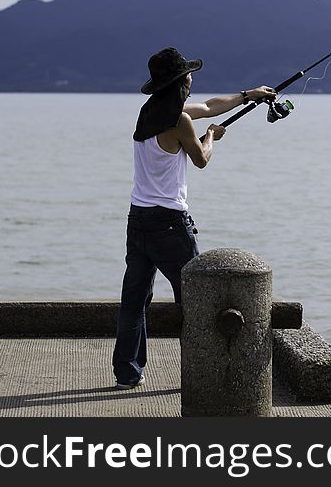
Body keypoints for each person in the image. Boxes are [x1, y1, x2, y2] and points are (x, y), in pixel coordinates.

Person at [112, 47, 276, 389]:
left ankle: (128, 373)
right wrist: (212, 136)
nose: (191, 79)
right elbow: (200, 158)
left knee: (134, 302)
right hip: (169, 224)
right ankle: (204, 373)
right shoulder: (179, 120)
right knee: (198, 300)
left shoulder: (149, 113)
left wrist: (249, 95)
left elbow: (210, 106)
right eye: (187, 76)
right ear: (178, 82)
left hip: (137, 220)